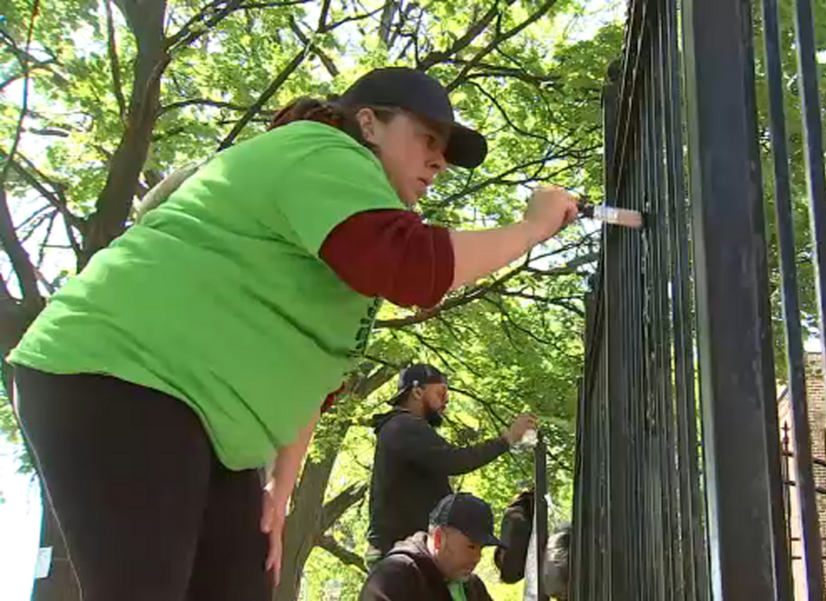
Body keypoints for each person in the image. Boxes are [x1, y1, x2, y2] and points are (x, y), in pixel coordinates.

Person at [9, 66, 578, 600]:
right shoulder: (323, 152)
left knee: (244, 578)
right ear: (368, 123)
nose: (439, 163)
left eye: (446, 155)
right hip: (118, 373)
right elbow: (412, 266)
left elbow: (313, 375)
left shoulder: (347, 250)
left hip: (204, 420)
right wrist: (532, 227)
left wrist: (280, 490)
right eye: (428, 140)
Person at [366, 364, 536, 565]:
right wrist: (506, 439)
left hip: (404, 550)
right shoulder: (403, 426)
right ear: (418, 392)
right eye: (440, 392)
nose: (446, 400)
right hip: (399, 553)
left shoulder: (402, 428)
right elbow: (454, 460)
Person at [360, 492, 499, 600]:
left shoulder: (473, 587)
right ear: (439, 538)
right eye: (471, 547)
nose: (477, 558)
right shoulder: (394, 577)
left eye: (481, 548)